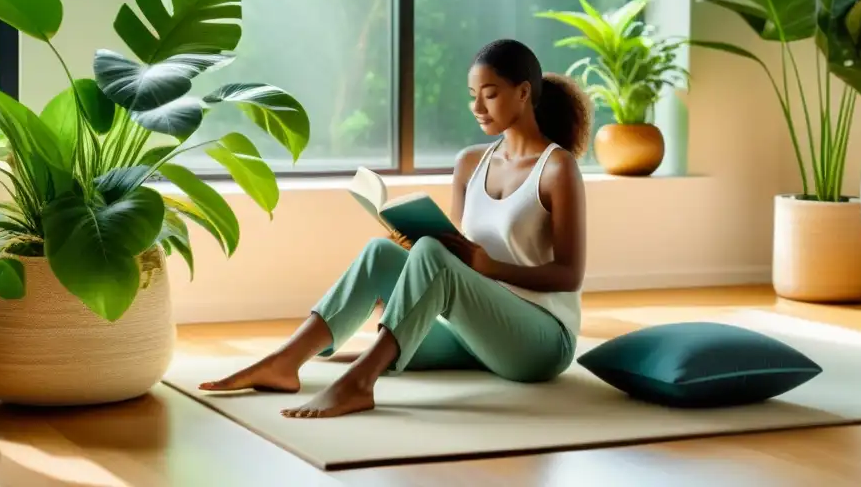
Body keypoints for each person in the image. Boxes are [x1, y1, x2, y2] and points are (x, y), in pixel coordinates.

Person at [199, 38, 593, 419]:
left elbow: (569, 275)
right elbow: (459, 256)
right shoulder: (471, 162)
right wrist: (415, 244)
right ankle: (285, 362)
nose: (477, 106)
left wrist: (491, 269)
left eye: (489, 94)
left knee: (432, 257)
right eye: (472, 94)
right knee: (380, 253)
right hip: (478, 335)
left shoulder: (557, 169)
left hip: (539, 344)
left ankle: (359, 383)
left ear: (524, 93)